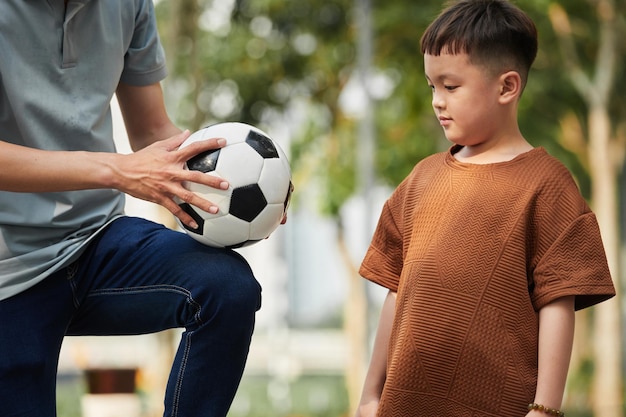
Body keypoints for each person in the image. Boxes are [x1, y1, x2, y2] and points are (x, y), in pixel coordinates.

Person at [0, 1, 280, 416]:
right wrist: (118, 170)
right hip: (9, 268)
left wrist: (248, 186)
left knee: (226, 288)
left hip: (98, 240)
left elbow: (152, 130)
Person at [354, 1, 616, 416]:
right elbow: (397, 290)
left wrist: (545, 409)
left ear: (507, 87)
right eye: (431, 86)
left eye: (451, 86)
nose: (438, 101)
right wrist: (370, 396)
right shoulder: (420, 180)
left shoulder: (547, 185)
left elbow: (557, 303)